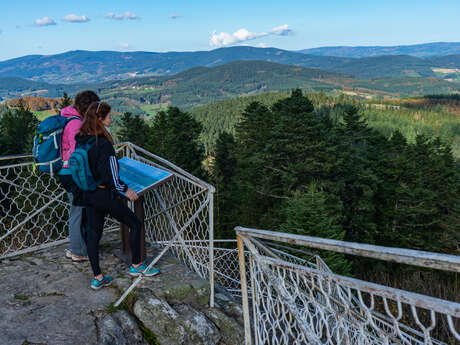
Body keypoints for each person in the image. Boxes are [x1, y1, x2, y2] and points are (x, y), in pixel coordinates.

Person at [76, 101, 160, 290]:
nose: (111, 119)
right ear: (99, 119)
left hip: (87, 192)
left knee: (93, 234)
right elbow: (112, 174)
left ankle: (97, 277)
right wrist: (125, 189)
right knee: (135, 224)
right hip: (104, 194)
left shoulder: (81, 138)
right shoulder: (104, 144)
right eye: (108, 116)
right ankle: (137, 265)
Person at [58, 90, 100, 262]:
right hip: (73, 173)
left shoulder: (68, 117)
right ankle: (79, 251)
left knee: (77, 210)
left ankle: (78, 247)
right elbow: (78, 155)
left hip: (65, 171)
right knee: (79, 212)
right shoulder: (75, 123)